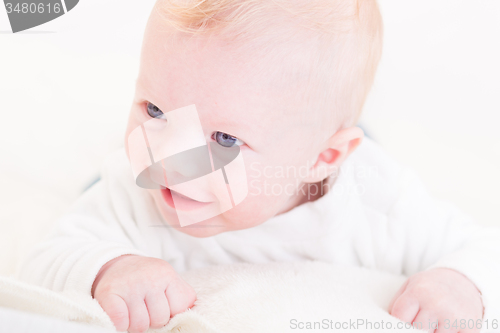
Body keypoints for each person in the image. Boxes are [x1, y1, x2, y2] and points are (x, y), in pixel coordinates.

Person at [18, 1, 499, 332]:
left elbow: (480, 248)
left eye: (224, 139)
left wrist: (459, 282)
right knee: (105, 174)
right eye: (154, 109)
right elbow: (46, 258)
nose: (169, 159)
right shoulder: (134, 187)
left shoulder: (378, 203)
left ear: (324, 159)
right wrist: (111, 268)